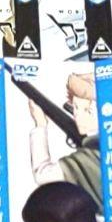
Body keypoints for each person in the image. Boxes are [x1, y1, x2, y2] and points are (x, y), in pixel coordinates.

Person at [27, 72, 102, 214]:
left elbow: (43, 175)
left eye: (87, 110)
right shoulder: (98, 146)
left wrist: (40, 125)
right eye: (75, 107)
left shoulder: (90, 156)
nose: (78, 115)